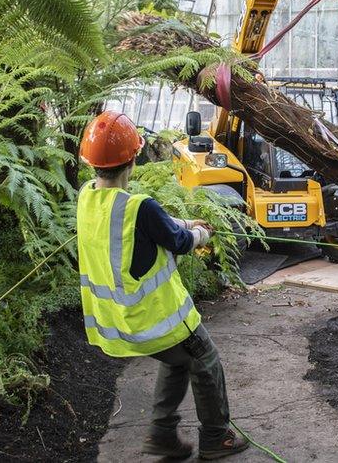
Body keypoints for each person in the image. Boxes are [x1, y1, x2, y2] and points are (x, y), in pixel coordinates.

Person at [76, 111, 249, 461]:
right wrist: (200, 232)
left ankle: (163, 435)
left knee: (176, 361)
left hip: (114, 323)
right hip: (155, 319)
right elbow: (180, 241)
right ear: (133, 159)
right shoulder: (140, 206)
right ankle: (217, 438)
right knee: (204, 356)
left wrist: (185, 222)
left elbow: (148, 224)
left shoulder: (87, 197)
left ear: (92, 164)